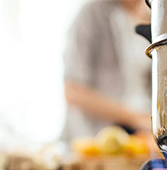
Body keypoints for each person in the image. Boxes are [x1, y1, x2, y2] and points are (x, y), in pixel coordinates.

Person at [61, 0, 152, 141]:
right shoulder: (92, 14)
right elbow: (73, 91)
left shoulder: (155, 16)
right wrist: (137, 119)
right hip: (95, 137)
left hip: (142, 136)